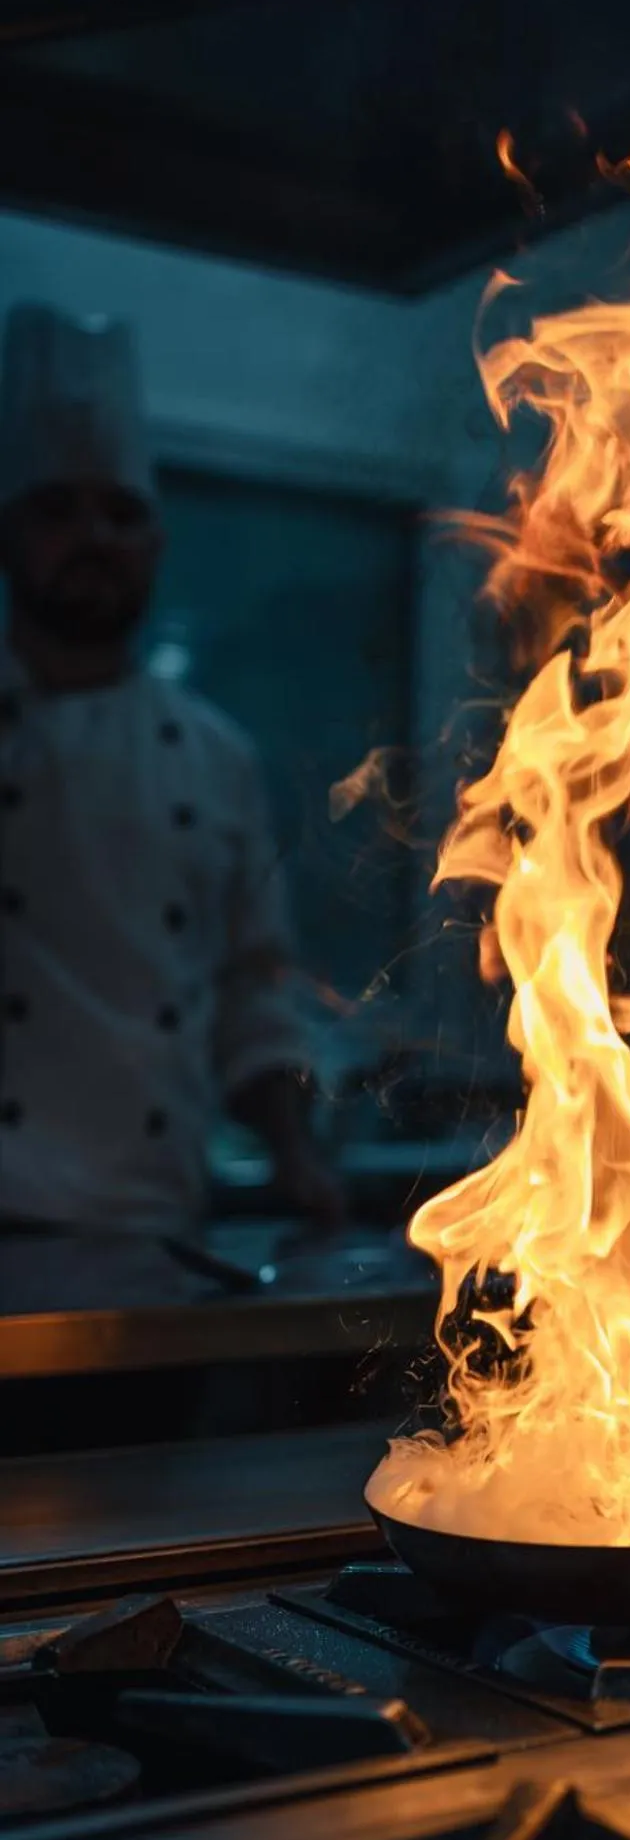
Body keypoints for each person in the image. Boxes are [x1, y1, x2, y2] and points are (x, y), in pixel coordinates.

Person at [0, 303, 344, 1248]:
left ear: (155, 545)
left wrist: (294, 1153)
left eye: (120, 513)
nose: (93, 539)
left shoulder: (216, 756)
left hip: (152, 1219)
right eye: (57, 510)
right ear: (8, 537)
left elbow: (252, 992)